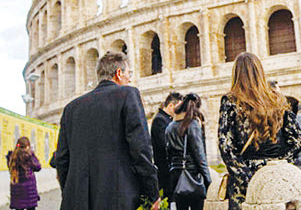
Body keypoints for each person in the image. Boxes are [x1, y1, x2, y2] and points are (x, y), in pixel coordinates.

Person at [56, 51, 160, 210]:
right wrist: (152, 192)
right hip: (117, 198)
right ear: (119, 73)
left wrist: (70, 192)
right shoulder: (128, 94)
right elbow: (141, 149)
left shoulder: (71, 108)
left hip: (76, 199)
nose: (130, 78)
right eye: (128, 73)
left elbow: (62, 160)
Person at [218, 52, 301, 210]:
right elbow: (297, 142)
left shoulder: (231, 101)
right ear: (260, 72)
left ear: (236, 74)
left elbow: (225, 145)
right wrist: (280, 166)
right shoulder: (277, 99)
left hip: (244, 182)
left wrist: (247, 177)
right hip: (278, 180)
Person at [166, 93, 211, 210]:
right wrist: (208, 180)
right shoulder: (192, 124)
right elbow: (199, 155)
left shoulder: (170, 126)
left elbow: (169, 154)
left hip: (177, 176)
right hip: (192, 175)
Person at [152, 91, 184, 203]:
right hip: (167, 171)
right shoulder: (160, 120)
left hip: (170, 170)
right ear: (170, 105)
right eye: (179, 107)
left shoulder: (166, 119)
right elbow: (164, 145)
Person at [6, 137, 41, 210]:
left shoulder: (12, 157)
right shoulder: (29, 157)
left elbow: (10, 168)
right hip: (29, 191)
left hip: (17, 190)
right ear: (27, 146)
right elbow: (38, 167)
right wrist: (33, 154)